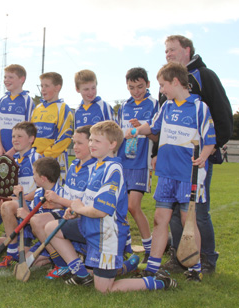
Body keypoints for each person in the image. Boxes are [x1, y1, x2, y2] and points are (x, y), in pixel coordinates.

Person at [44, 121, 177, 292]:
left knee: (104, 289)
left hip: (107, 237)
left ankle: (160, 282)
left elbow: (100, 211)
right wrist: (75, 212)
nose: (91, 144)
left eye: (97, 141)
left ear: (113, 144)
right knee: (51, 228)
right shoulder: (98, 165)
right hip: (89, 227)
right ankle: (82, 274)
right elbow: (90, 202)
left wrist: (78, 208)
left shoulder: (113, 169)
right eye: (91, 140)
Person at [126, 62, 216, 282]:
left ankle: (195, 268)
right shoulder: (166, 107)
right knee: (160, 218)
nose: (161, 89)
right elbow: (153, 128)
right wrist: (135, 130)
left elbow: (210, 139)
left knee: (188, 220)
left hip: (188, 175)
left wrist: (203, 156)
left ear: (176, 82)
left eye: (163, 85)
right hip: (166, 174)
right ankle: (153, 267)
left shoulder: (199, 107)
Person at [161, 35, 232, 274]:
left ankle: (207, 260)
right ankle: (182, 258)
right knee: (173, 215)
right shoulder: (167, 83)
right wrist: (154, 152)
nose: (168, 54)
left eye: (172, 50)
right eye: (166, 51)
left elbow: (222, 114)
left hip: (197, 160)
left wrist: (211, 150)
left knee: (198, 213)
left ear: (187, 50)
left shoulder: (205, 75)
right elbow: (162, 125)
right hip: (172, 164)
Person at [37, 125, 97, 278]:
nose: (75, 147)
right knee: (36, 221)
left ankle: (77, 269)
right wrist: (58, 204)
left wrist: (59, 200)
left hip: (85, 219)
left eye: (79, 143)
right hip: (68, 213)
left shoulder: (95, 169)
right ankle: (62, 264)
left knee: (51, 227)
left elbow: (86, 206)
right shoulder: (73, 165)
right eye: (74, 142)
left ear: (91, 144)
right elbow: (70, 198)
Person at [117, 68, 159, 263]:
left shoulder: (155, 105)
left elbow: (157, 135)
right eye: (132, 87)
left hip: (141, 162)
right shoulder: (124, 106)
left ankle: (149, 249)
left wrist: (141, 128)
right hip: (122, 162)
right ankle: (123, 249)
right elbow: (118, 135)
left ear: (148, 84)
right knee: (121, 208)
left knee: (134, 207)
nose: (136, 91)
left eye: (140, 86)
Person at [0, 122, 42, 268]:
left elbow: (43, 190)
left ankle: (11, 254)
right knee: (5, 206)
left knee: (28, 261)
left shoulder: (36, 158)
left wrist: (19, 199)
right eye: (13, 136)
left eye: (20, 136)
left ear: (31, 139)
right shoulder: (13, 160)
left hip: (33, 207)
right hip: (20, 205)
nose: (15, 139)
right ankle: (13, 251)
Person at [31, 72, 74, 185]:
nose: (43, 89)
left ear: (57, 88)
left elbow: (65, 137)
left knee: (53, 197)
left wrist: (46, 155)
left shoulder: (63, 108)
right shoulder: (37, 108)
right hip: (36, 159)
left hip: (53, 160)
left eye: (47, 86)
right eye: (42, 86)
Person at [0, 64, 35, 157]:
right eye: (5, 77)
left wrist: (13, 151)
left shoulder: (27, 100)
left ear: (22, 79)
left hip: (19, 152)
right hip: (2, 151)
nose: (6, 80)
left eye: (10, 77)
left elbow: (28, 129)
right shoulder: (2, 100)